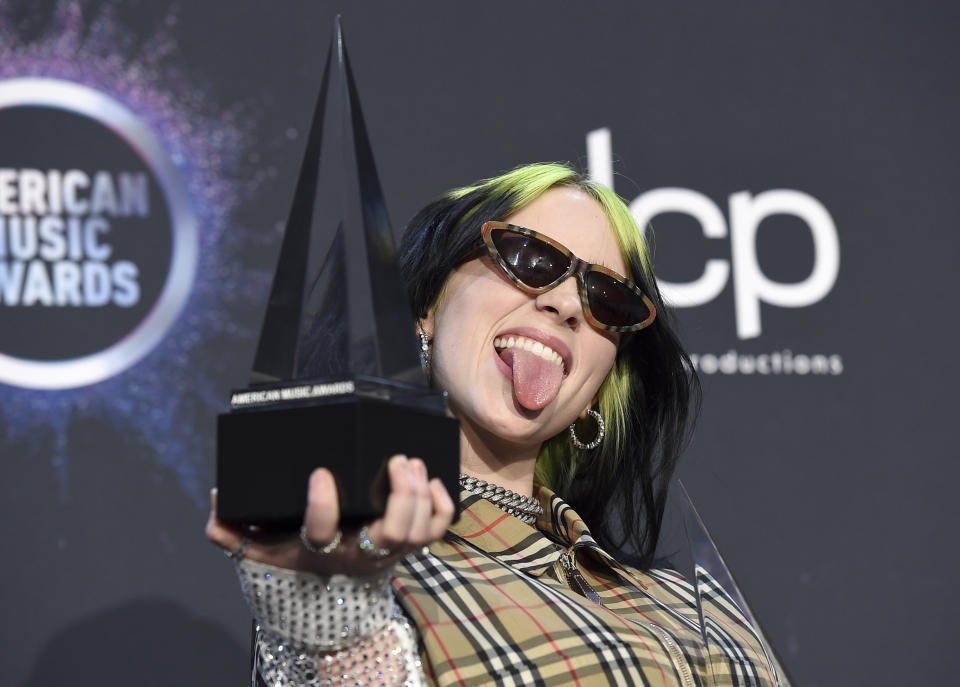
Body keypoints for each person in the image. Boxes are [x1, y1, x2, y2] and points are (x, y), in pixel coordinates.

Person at [207, 163, 781, 686]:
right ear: (427, 307)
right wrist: (328, 626)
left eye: (608, 299)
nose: (566, 305)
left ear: (598, 390)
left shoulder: (691, 601)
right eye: (530, 258)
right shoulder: (360, 568)